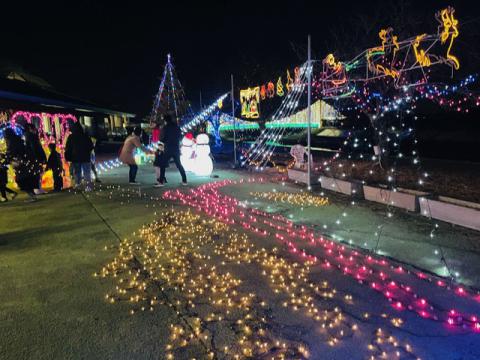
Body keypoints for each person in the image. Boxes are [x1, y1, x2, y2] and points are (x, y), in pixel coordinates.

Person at [4, 127, 37, 202]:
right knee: (26, 178)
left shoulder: (11, 142)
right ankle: (32, 195)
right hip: (24, 161)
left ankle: (32, 196)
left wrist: (7, 158)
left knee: (22, 180)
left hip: (19, 163)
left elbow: (11, 152)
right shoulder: (18, 139)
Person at [158, 114, 187, 186]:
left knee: (163, 165)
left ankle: (161, 182)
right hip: (176, 148)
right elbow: (180, 137)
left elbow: (162, 138)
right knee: (179, 164)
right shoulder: (177, 127)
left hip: (168, 148)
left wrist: (162, 140)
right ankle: (184, 180)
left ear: (165, 120)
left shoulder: (165, 128)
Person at [65, 122, 94, 191]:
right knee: (87, 172)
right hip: (85, 157)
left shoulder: (71, 137)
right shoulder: (85, 136)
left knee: (77, 172)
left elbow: (68, 147)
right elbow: (91, 146)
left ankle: (78, 185)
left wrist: (68, 156)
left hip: (75, 158)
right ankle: (88, 186)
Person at [24, 123, 47, 194]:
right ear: (30, 129)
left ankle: (39, 188)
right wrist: (39, 157)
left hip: (36, 157)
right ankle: (37, 188)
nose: (35, 129)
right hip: (35, 158)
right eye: (33, 128)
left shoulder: (32, 137)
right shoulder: (31, 137)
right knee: (37, 173)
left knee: (39, 173)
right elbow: (35, 148)